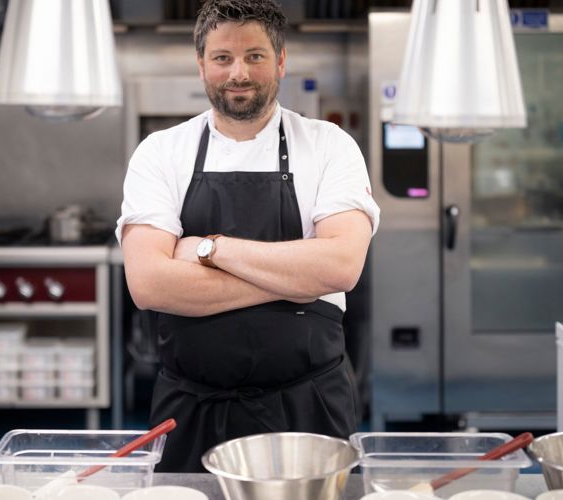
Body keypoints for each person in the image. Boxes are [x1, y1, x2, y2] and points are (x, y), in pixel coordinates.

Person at [116, 0, 380, 472]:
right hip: (191, 411)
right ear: (202, 65)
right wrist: (297, 279)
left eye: (255, 56)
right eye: (223, 58)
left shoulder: (328, 145)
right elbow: (149, 284)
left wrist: (209, 250)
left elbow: (341, 267)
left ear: (280, 60)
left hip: (308, 409)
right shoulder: (160, 153)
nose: (239, 73)